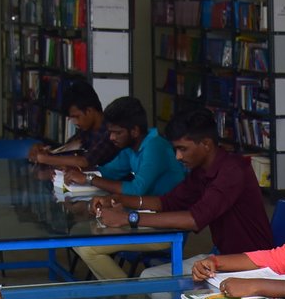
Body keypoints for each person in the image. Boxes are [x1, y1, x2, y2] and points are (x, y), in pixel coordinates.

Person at [93, 107, 272, 280]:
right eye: (176, 150)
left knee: (155, 281)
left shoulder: (232, 171)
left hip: (251, 264)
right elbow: (167, 203)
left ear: (206, 144)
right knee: (150, 278)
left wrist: (129, 218)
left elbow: (194, 220)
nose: (178, 156)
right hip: (224, 256)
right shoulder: (201, 170)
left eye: (183, 149)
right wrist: (119, 199)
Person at [72, 96, 187, 280]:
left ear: (134, 131)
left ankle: (132, 298)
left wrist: (89, 179)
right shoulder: (132, 148)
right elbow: (109, 172)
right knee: (80, 238)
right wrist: (80, 172)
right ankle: (126, 294)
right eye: (110, 132)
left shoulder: (154, 146)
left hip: (166, 227)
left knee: (88, 248)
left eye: (117, 133)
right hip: (143, 217)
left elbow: (136, 189)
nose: (111, 137)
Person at [27, 82, 118, 170]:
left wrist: (44, 159)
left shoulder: (111, 131)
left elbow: (85, 161)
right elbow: (67, 149)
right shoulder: (86, 129)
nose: (75, 122)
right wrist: (46, 151)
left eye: (77, 117)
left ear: (89, 111)